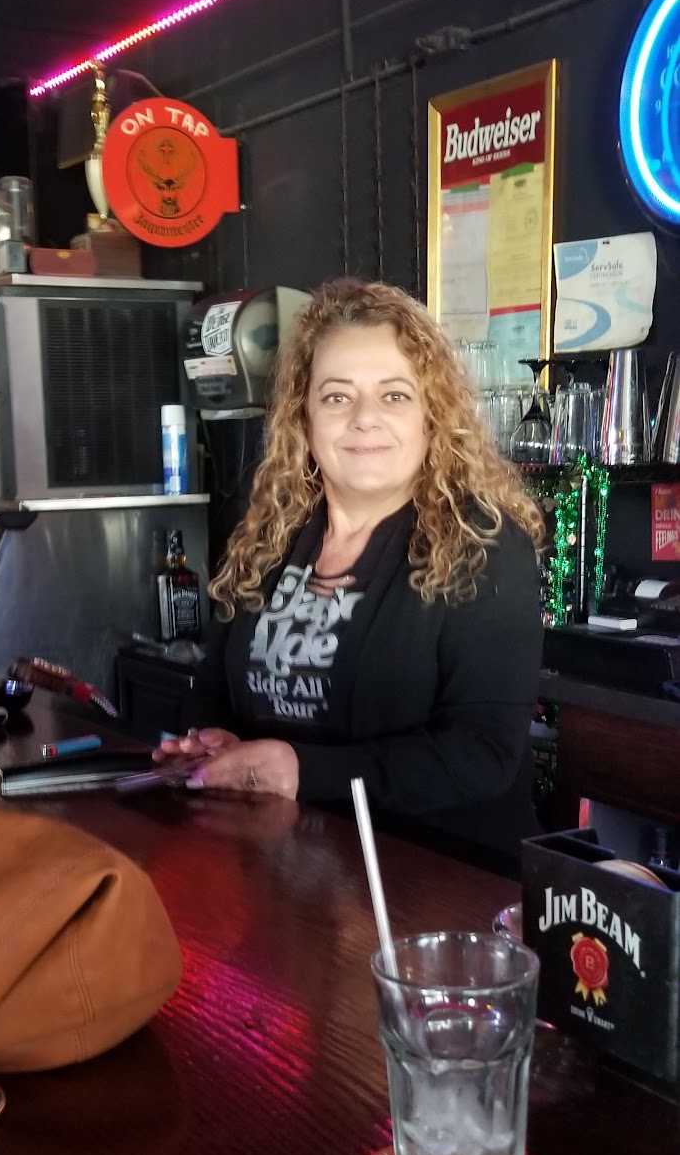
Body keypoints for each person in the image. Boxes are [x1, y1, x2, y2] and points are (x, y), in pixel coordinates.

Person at [155, 278, 545, 868]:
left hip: (437, 883)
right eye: (337, 397)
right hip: (287, 867)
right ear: (303, 416)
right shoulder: (272, 537)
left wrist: (302, 771)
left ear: (431, 416)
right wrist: (217, 738)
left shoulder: (482, 544)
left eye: (395, 396)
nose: (365, 419)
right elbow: (215, 685)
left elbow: (482, 753)